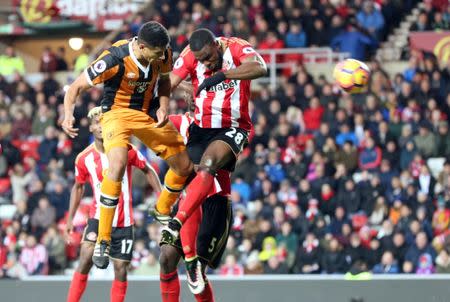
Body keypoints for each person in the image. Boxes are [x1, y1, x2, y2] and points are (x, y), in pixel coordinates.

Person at [62, 21, 194, 269]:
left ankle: (162, 208)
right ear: (142, 47)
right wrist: (67, 114)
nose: (161, 56)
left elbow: (164, 81)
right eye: (156, 52)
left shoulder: (163, 51)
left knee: (184, 166)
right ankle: (103, 239)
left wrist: (164, 107)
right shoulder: (114, 57)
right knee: (118, 164)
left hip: (146, 114)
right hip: (115, 115)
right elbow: (76, 87)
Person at [161, 28, 267, 292]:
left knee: (208, 164)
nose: (206, 64)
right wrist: (162, 104)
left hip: (232, 127)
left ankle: (176, 223)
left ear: (215, 45)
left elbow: (260, 67)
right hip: (201, 131)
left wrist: (223, 75)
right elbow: (169, 82)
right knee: (167, 260)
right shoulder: (189, 58)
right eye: (202, 61)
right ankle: (182, 235)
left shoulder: (236, 47)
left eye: (209, 58)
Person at [65, 107, 161, 302]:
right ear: (91, 128)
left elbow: (148, 169)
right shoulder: (83, 158)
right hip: (98, 218)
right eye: (97, 124)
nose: (101, 127)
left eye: (104, 122)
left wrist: (162, 196)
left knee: (121, 269)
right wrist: (70, 218)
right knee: (85, 258)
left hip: (124, 220)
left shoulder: (125, 149)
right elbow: (78, 187)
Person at [158, 113, 233, 300]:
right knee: (167, 257)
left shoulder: (226, 124)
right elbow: (152, 117)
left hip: (215, 202)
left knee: (198, 269)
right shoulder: (178, 121)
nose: (197, 96)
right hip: (187, 200)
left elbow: (207, 167)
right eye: (194, 89)